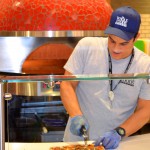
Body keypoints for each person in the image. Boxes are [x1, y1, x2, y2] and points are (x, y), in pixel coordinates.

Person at [60, 6, 150, 149]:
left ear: (136, 37)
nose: (115, 49)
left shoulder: (145, 65)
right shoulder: (86, 46)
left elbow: (146, 109)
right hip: (78, 141)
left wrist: (119, 132)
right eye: (112, 40)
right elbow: (67, 84)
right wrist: (76, 115)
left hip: (117, 143)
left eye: (123, 43)